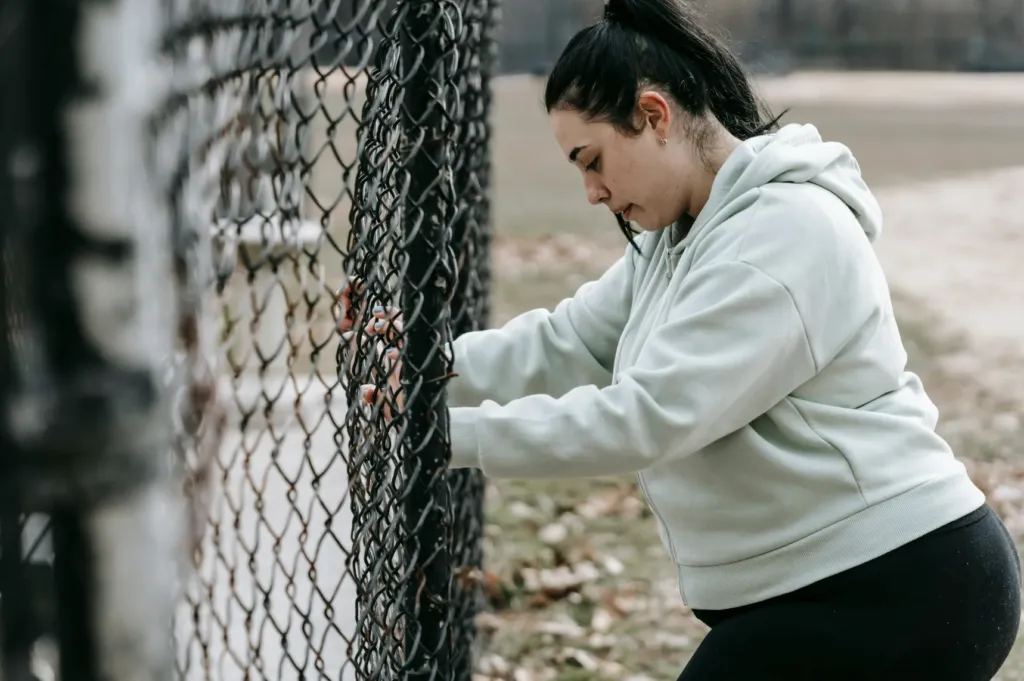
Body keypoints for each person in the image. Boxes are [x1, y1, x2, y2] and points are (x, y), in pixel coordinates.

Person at [337, 0, 1022, 678]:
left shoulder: (784, 235)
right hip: (819, 582)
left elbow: (648, 416)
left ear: (654, 115)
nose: (592, 192)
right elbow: (567, 343)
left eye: (593, 159)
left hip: (902, 582)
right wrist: (424, 366)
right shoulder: (677, 237)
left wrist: (441, 436)